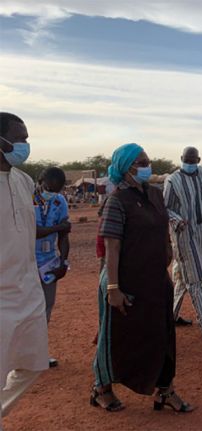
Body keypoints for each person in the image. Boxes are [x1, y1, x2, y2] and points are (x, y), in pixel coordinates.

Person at [91, 143, 193, 413]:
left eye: (147, 161)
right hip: (123, 280)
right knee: (113, 337)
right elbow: (112, 247)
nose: (148, 166)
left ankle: (165, 391)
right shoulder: (117, 202)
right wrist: (113, 288)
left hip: (154, 280)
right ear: (125, 169)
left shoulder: (156, 195)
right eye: (141, 162)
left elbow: (162, 229)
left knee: (162, 335)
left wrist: (167, 251)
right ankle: (101, 387)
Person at [0, 112, 49, 423]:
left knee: (33, 365)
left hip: (28, 292)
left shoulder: (25, 180)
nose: (25, 144)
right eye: (20, 138)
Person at [163, 147, 202, 340]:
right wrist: (178, 220)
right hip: (184, 235)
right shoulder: (172, 180)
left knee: (184, 277)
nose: (189, 163)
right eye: (186, 160)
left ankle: (170, 316)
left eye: (193, 160)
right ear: (181, 159)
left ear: (199, 160)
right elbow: (166, 208)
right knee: (194, 279)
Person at [34, 167, 71, 368]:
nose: (51, 192)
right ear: (40, 181)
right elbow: (32, 232)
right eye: (49, 187)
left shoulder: (59, 202)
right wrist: (58, 228)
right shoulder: (26, 199)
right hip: (25, 263)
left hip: (48, 263)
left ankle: (39, 353)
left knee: (46, 308)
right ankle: (17, 357)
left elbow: (65, 236)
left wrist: (63, 262)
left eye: (56, 189)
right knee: (24, 309)